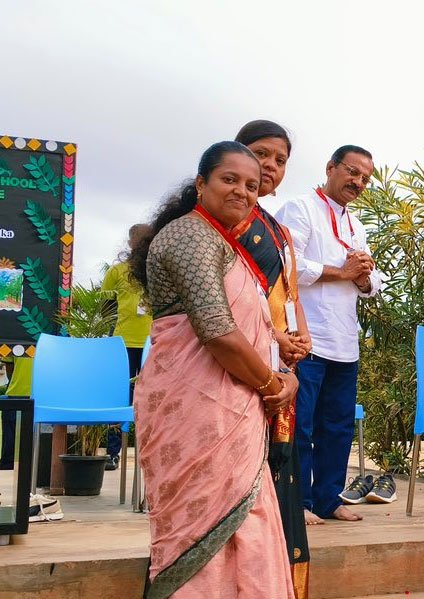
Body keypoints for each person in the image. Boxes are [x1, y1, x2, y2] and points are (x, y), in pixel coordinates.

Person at [131, 141, 296, 597]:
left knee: (248, 522)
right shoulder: (190, 235)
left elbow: (246, 325)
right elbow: (219, 332)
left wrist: (282, 362)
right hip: (197, 407)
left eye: (251, 185)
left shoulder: (223, 243)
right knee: (204, 525)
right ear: (201, 184)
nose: (242, 191)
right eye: (229, 179)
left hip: (235, 402)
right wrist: (272, 383)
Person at [276, 145, 383, 523]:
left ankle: (328, 499)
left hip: (344, 340)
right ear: (330, 167)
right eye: (352, 172)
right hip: (307, 339)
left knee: (337, 427)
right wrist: (344, 272)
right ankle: (299, 502)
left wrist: (364, 277)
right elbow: (288, 264)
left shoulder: (357, 225)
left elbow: (372, 283)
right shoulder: (300, 208)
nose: (358, 182)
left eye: (365, 178)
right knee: (301, 425)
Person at [233, 119, 311, 598]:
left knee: (278, 471)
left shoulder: (277, 229)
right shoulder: (224, 223)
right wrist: (275, 337)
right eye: (261, 153)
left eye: (280, 160)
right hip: (239, 366)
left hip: (280, 364)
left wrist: (299, 338)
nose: (270, 165)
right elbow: (228, 305)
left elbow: (290, 295)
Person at [101, 222, 153, 470]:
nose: (142, 243)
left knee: (152, 398)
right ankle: (113, 452)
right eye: (138, 239)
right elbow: (106, 308)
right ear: (131, 242)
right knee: (119, 397)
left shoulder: (157, 268)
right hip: (122, 343)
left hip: (154, 344)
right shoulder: (117, 271)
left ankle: (151, 453)